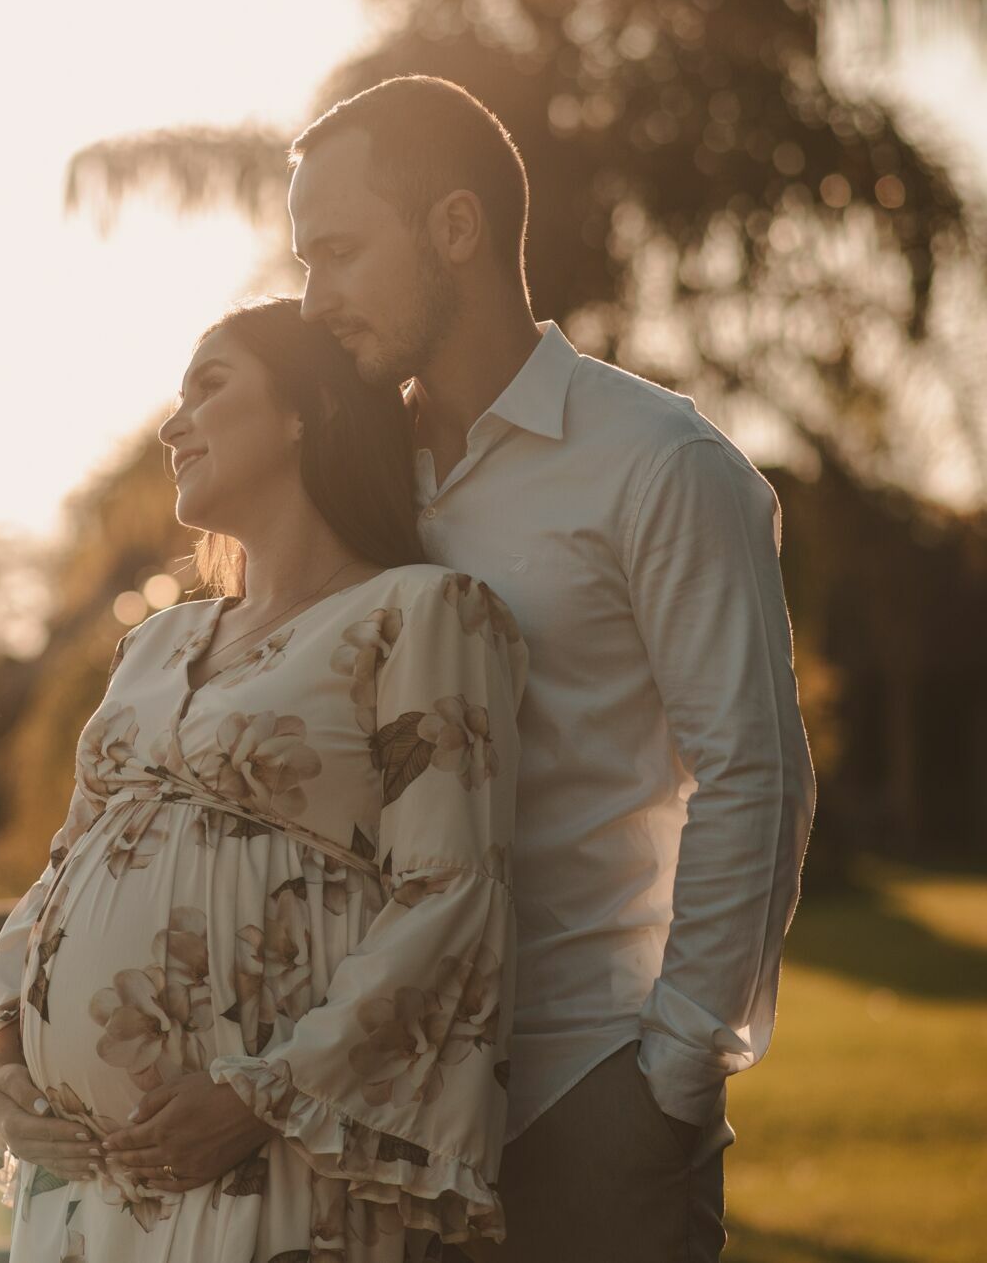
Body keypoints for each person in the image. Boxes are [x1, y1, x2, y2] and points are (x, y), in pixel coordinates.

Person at [286, 75, 816, 1262]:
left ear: (455, 229)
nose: (313, 300)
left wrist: (670, 1076)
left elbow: (754, 773)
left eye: (338, 252)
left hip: (584, 1091)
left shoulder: (660, 465)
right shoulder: (357, 481)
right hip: (376, 1114)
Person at [0, 295, 529, 1261]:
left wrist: (261, 1096)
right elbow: (61, 873)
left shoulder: (422, 613)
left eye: (209, 388)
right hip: (88, 1181)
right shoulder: (155, 642)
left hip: (277, 1163)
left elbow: (452, 896)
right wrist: (3, 1061)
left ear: (308, 410)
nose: (174, 425)